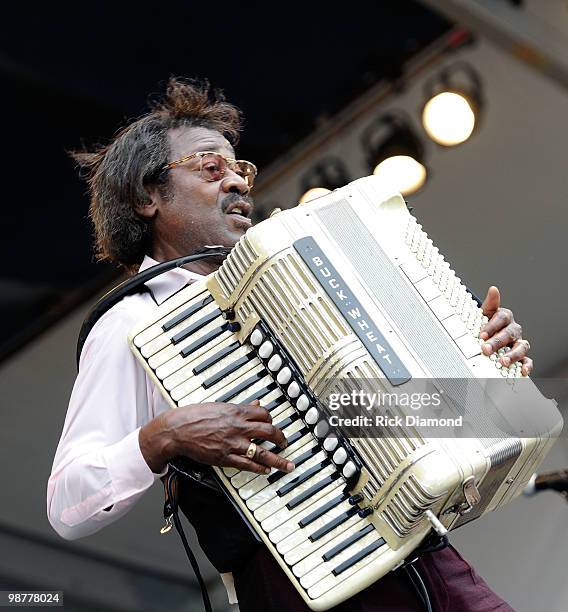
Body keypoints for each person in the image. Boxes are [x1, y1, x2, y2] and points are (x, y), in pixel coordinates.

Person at [48, 77, 532, 611]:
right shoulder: (135, 322)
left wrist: (484, 370)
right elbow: (67, 502)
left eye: (241, 170)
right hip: (303, 585)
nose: (237, 183)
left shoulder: (296, 281)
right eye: (212, 169)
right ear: (147, 197)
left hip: (429, 560)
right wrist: (161, 436)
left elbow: (374, 416)